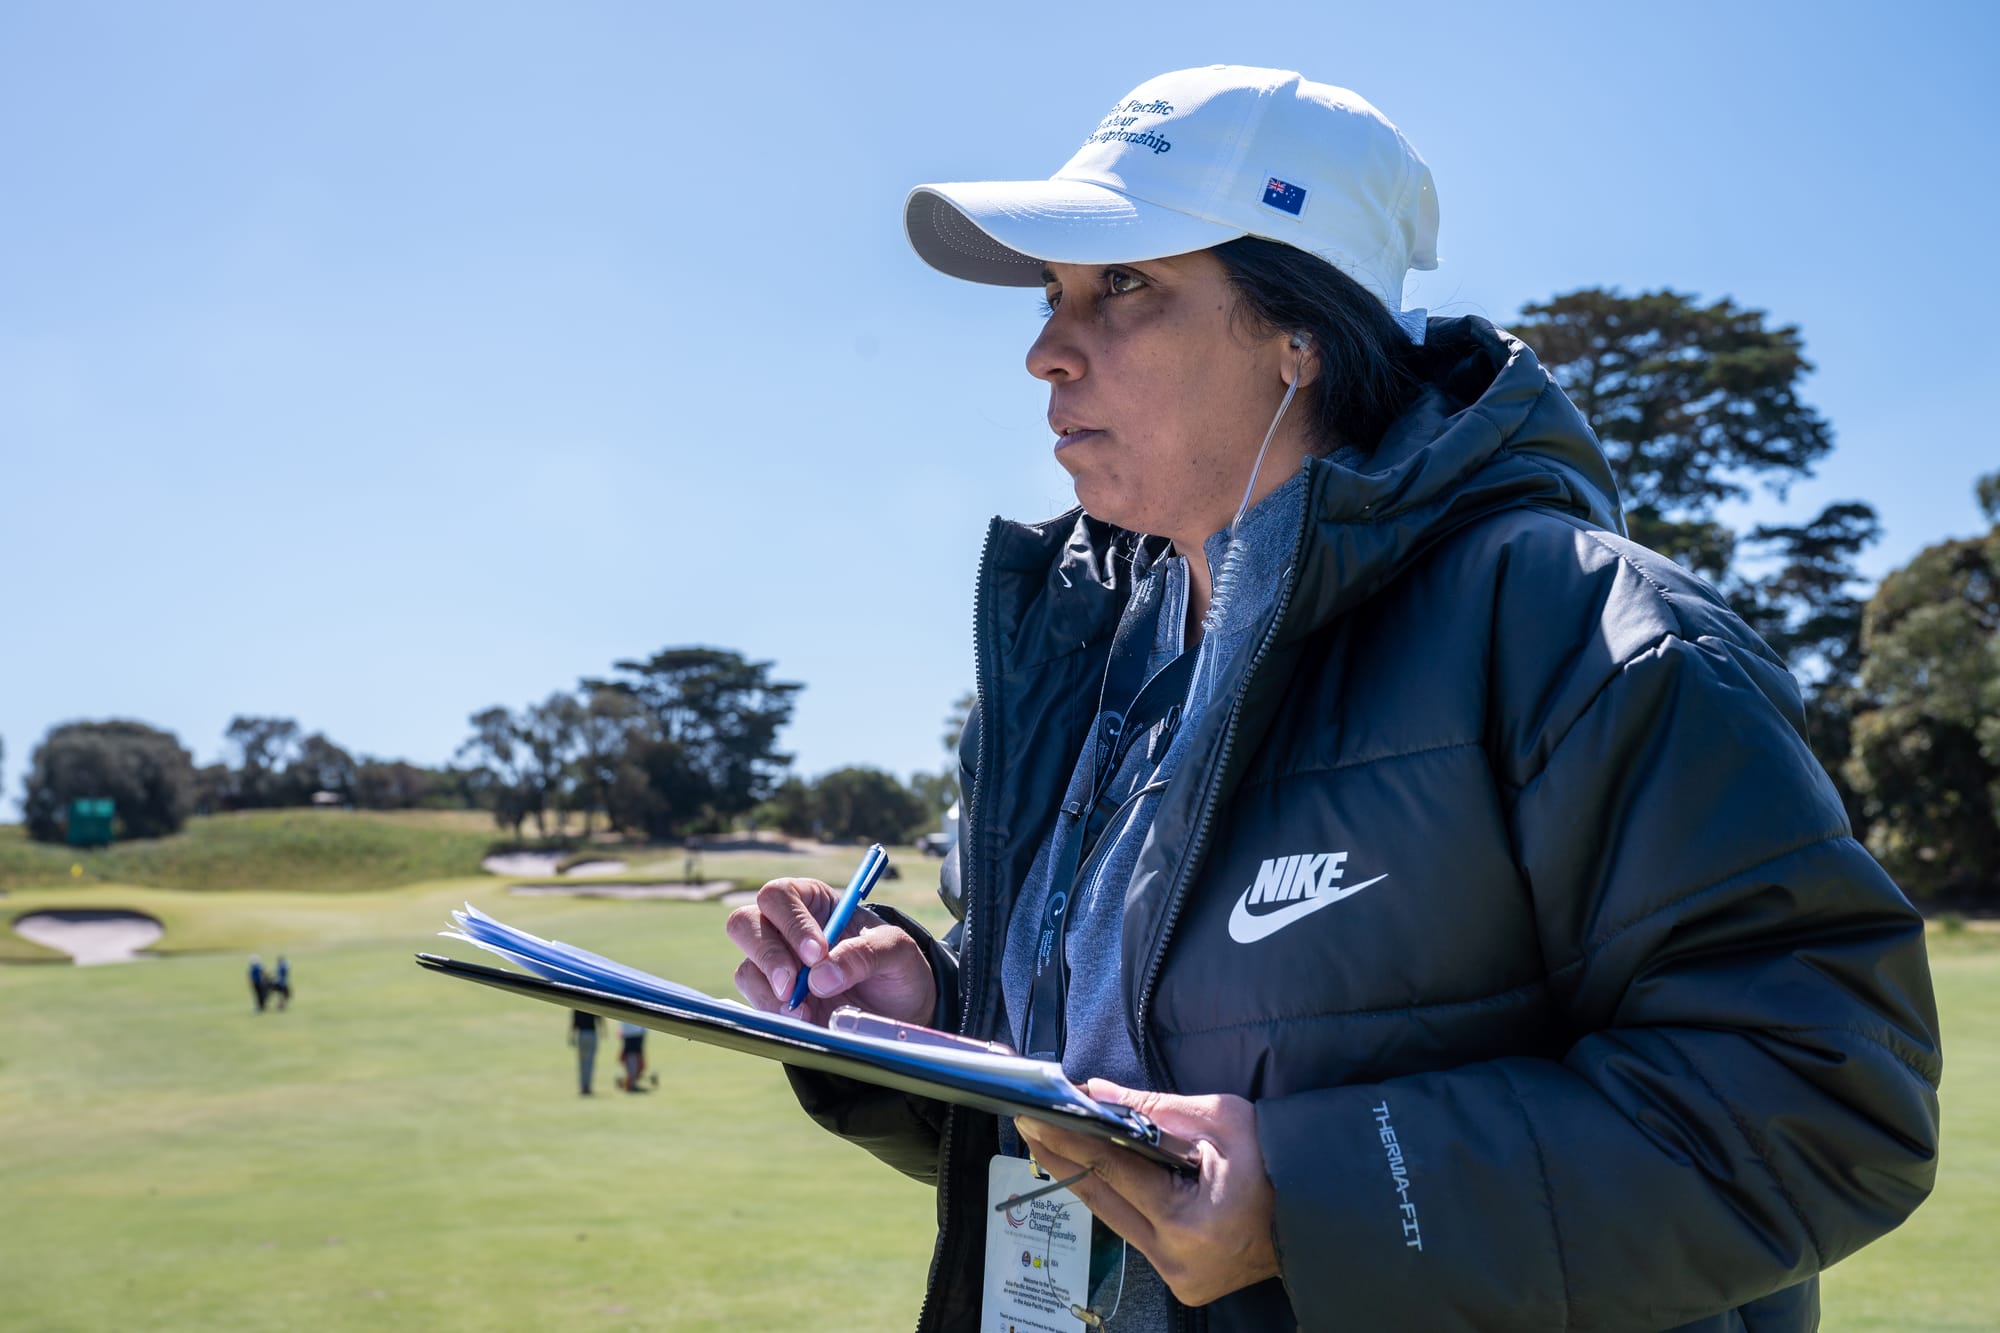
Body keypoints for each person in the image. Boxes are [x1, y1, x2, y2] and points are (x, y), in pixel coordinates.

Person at [725, 66, 1942, 1332]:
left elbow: (1823, 1104)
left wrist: (1314, 1195)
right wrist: (924, 1010)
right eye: (1051, 292)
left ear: (1300, 334)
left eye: (1122, 285)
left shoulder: (1582, 632)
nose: (1045, 348)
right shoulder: (1078, 664)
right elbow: (1102, 1092)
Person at [616, 1021, 656, 1093]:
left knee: (635, 1059)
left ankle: (631, 1082)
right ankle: (631, 1083)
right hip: (633, 1032)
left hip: (634, 1031)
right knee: (633, 1058)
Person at [568, 1009, 599, 1096]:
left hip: (581, 1034)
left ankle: (583, 1086)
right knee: (589, 1062)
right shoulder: (592, 1005)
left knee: (582, 1062)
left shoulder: (577, 1006)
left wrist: (572, 1036)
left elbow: (574, 1022)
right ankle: (587, 1086)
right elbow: (599, 1018)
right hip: (591, 1034)